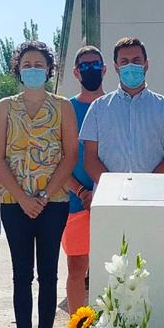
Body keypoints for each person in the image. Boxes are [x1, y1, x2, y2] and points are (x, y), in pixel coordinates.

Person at [0, 41, 78, 328]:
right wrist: (23, 198)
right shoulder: (5, 107)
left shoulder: (63, 107)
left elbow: (70, 156)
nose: (33, 69)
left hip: (53, 203)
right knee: (21, 276)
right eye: (26, 64)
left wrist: (42, 195)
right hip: (14, 204)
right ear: (18, 69)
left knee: (48, 275)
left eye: (39, 64)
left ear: (49, 69)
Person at [82, 37, 164, 179]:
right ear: (116, 67)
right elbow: (90, 160)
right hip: (109, 192)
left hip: (152, 192)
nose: (130, 66)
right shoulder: (97, 108)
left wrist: (144, 187)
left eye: (136, 61)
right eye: (124, 62)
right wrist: (114, 187)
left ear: (146, 65)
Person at [62, 46, 108, 312]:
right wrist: (81, 192)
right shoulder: (66, 109)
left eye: (95, 64)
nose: (91, 69)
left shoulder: (115, 106)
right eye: (85, 65)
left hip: (113, 202)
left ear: (105, 69)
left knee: (114, 268)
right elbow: (57, 159)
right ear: (76, 72)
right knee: (77, 268)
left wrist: (104, 192)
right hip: (76, 203)